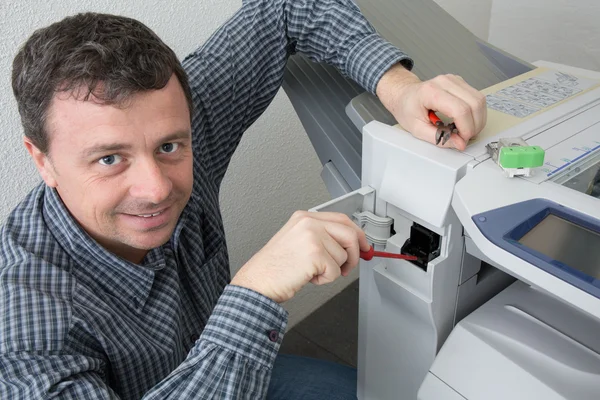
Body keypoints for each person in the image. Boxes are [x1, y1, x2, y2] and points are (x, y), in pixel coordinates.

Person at [0, 0, 486, 399]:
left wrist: (399, 89)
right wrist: (255, 292)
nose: (157, 189)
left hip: (221, 362)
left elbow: (288, 7)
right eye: (109, 159)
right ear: (42, 160)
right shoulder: (23, 318)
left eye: (169, 146)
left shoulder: (182, 116)